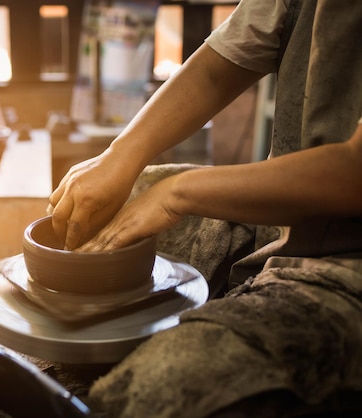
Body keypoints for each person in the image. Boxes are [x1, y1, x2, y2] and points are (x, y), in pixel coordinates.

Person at [49, 0, 362, 416]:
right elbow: (217, 70)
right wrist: (120, 156)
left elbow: (353, 173)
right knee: (113, 202)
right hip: (288, 225)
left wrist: (177, 193)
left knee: (163, 386)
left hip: (350, 267)